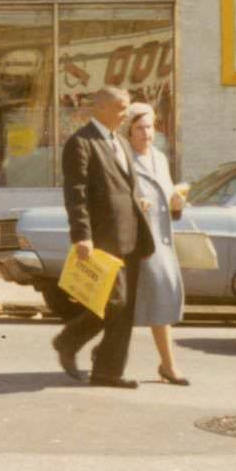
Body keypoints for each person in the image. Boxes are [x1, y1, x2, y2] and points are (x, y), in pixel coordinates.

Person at [51, 87, 155, 389]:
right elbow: (76, 194)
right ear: (102, 109)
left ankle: (109, 372)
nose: (126, 116)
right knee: (114, 302)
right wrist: (81, 235)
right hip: (103, 237)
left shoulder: (121, 142)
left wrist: (142, 223)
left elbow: (127, 188)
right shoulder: (81, 143)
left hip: (132, 236)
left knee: (126, 310)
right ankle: (68, 341)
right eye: (121, 109)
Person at [126, 103, 189, 386]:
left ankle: (168, 364)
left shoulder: (160, 159)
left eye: (150, 126)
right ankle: (106, 358)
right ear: (128, 131)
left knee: (159, 300)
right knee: (124, 306)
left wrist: (178, 204)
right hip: (136, 242)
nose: (146, 133)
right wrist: (135, 205)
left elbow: (168, 198)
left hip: (159, 242)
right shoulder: (124, 159)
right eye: (139, 128)